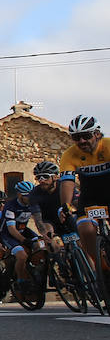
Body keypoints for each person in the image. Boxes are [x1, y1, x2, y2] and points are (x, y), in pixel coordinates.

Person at [59, 115, 110, 277]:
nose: (81, 141)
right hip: (90, 198)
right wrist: (65, 205)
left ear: (97, 134)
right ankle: (103, 269)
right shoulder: (69, 155)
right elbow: (67, 182)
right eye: (76, 138)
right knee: (85, 229)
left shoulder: (108, 146)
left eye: (86, 136)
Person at [0, 181, 41, 291]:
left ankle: (34, 269)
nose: (30, 199)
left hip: (23, 229)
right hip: (8, 233)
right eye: (27, 196)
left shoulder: (32, 203)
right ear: (20, 195)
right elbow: (11, 229)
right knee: (22, 256)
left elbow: (39, 220)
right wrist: (24, 240)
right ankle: (21, 280)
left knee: (40, 246)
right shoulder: (11, 207)